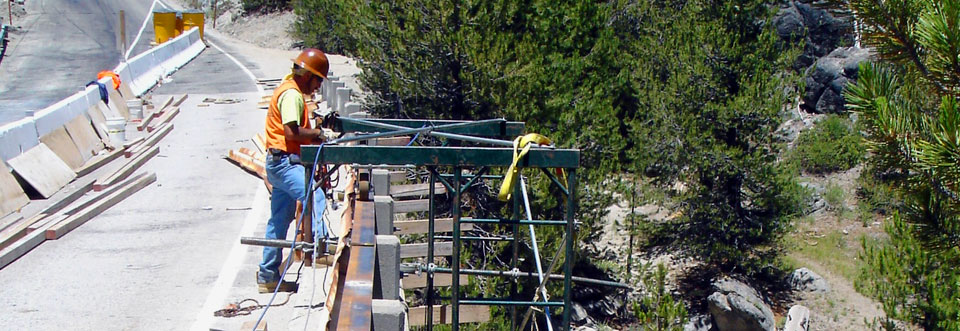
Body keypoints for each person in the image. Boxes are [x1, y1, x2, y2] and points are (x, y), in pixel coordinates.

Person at [257, 48, 329, 293]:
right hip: (284, 162)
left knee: (279, 220)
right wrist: (319, 134)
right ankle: (321, 248)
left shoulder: (289, 89)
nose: (318, 87)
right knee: (315, 195)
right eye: (318, 80)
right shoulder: (292, 95)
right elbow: (291, 132)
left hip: (278, 162)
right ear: (308, 75)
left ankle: (267, 276)